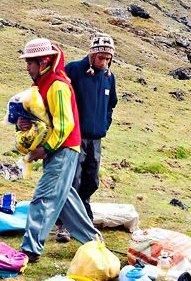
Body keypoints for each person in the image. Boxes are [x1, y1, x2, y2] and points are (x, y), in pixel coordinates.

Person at [17, 37, 99, 263]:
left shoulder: (57, 85)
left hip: (62, 148)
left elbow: (65, 124)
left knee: (43, 197)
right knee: (66, 199)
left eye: (30, 63)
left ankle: (30, 249)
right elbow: (44, 118)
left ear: (43, 62)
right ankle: (94, 243)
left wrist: (45, 149)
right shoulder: (42, 85)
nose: (27, 68)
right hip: (59, 148)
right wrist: (24, 125)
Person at [54, 33, 118, 242]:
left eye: (108, 59)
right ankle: (64, 224)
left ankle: (82, 216)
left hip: (96, 138)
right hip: (74, 136)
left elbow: (111, 105)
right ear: (91, 55)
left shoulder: (109, 77)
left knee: (91, 180)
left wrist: (104, 125)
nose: (104, 62)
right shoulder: (74, 70)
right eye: (101, 58)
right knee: (73, 178)